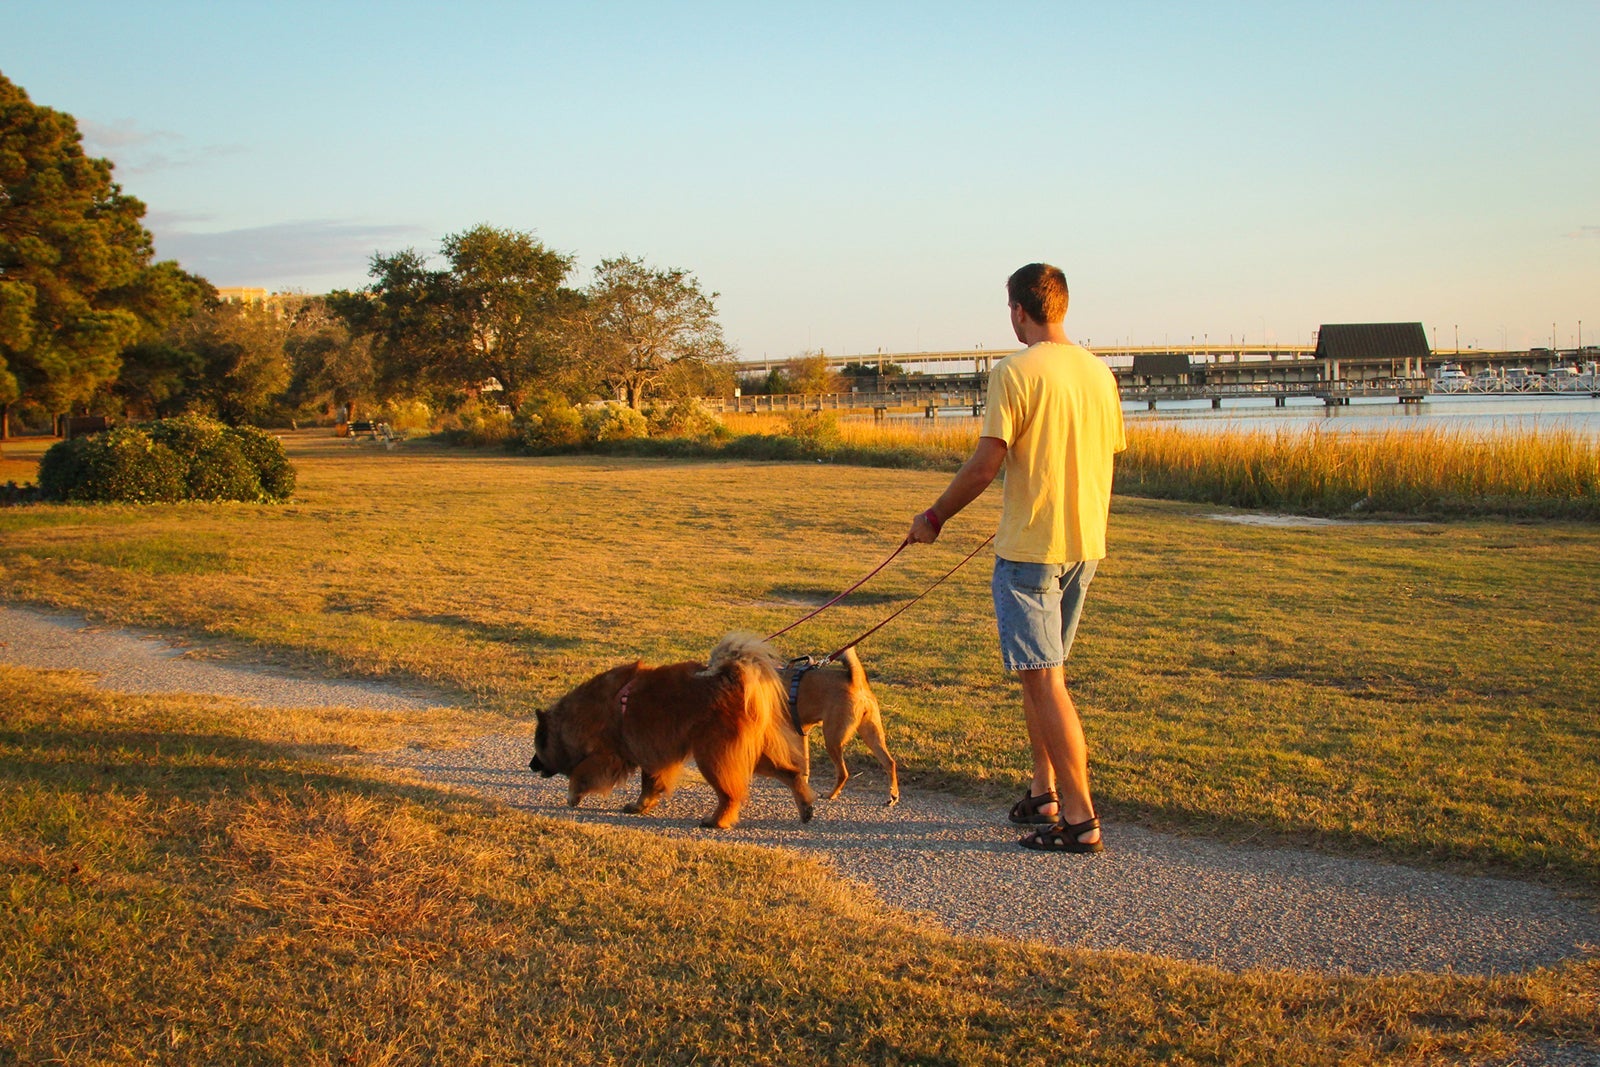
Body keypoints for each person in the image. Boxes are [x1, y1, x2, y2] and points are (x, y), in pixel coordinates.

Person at [908, 263, 1125, 853]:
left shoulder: (1013, 371)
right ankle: (1044, 792)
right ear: (1062, 306)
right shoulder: (1100, 374)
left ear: (1017, 310)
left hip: (1032, 552)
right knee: (1042, 678)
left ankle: (1079, 820)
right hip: (1084, 546)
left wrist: (934, 519)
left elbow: (985, 465)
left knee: (1045, 679)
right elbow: (1101, 456)